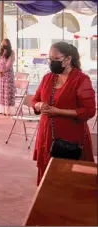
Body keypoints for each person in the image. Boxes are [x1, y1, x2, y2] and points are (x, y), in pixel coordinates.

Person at [32, 42, 96, 185]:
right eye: (50, 58)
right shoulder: (48, 78)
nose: (51, 62)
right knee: (48, 180)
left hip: (70, 137)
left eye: (55, 58)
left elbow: (89, 110)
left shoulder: (81, 80)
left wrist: (58, 111)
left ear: (68, 59)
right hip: (47, 135)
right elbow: (35, 99)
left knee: (69, 181)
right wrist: (39, 105)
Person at [0, 38, 15, 115]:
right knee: (0, 93)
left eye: (5, 43)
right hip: (0, 76)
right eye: (2, 43)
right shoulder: (0, 53)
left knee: (7, 93)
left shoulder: (11, 53)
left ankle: (8, 111)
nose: (3, 45)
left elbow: (8, 65)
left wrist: (1, 70)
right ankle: (1, 109)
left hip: (7, 76)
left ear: (8, 44)